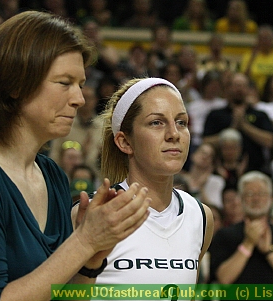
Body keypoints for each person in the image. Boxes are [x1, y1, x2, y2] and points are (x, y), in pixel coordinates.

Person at [0, 11, 151, 301]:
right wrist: (83, 241)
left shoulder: (52, 175)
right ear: (14, 85)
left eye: (81, 84)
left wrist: (92, 257)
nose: (79, 98)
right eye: (64, 82)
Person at [92, 77, 214, 284]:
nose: (174, 134)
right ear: (124, 142)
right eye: (156, 122)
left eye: (181, 122)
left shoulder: (201, 216)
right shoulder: (94, 212)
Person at [209, 171, 273, 284]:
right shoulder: (224, 235)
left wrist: (269, 252)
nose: (256, 199)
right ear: (240, 199)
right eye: (250, 194)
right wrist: (248, 244)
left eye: (262, 194)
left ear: (271, 199)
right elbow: (223, 279)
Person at [203, 72, 273, 173]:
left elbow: (270, 141)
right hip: (220, 171)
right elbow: (206, 141)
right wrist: (233, 128)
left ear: (249, 89)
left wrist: (244, 126)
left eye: (243, 85)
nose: (239, 89)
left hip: (255, 170)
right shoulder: (216, 114)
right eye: (236, 85)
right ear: (228, 89)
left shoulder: (260, 115)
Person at [240, 25, 273, 96]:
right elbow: (242, 78)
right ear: (258, 40)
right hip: (253, 93)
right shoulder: (249, 56)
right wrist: (251, 61)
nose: (265, 42)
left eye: (268, 39)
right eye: (262, 39)